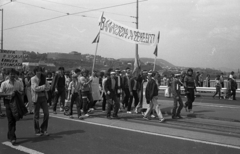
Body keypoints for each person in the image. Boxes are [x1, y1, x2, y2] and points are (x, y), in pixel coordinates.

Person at [0, 69, 25, 145]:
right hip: (8, 102)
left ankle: (10, 134)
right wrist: (9, 94)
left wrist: (18, 93)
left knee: (14, 118)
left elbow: (22, 91)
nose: (12, 75)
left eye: (14, 74)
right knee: (10, 119)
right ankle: (12, 137)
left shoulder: (18, 83)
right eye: (11, 74)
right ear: (8, 75)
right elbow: (0, 93)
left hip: (16, 102)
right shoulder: (4, 83)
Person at [31, 66, 50, 136]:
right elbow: (35, 88)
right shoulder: (33, 79)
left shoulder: (43, 78)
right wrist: (43, 87)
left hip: (43, 97)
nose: (39, 72)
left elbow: (48, 87)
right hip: (36, 98)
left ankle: (44, 129)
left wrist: (42, 88)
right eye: (37, 71)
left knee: (46, 113)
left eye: (40, 71)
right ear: (35, 72)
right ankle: (37, 130)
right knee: (36, 115)